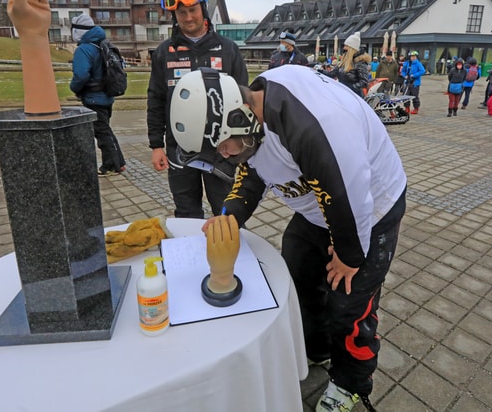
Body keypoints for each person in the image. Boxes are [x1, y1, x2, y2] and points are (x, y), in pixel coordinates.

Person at [169, 66, 406, 412]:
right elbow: (252, 171)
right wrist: (229, 216)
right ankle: (318, 347)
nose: (225, 157)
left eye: (222, 149)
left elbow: (347, 196)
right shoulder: (249, 120)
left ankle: (351, 380)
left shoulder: (315, 127)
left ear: (239, 116)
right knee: (297, 271)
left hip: (369, 209)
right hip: (323, 203)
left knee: (349, 303)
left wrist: (349, 255)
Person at [147, 0, 248, 217]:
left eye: (193, 9)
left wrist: (243, 144)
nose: (189, 17)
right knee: (186, 212)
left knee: (226, 211)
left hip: (221, 148)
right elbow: (156, 98)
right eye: (182, 13)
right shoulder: (164, 52)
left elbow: (245, 98)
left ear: (203, 7)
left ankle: (229, 253)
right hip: (179, 148)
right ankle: (190, 254)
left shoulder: (228, 49)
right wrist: (156, 146)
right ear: (174, 15)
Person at [69, 14, 127, 176]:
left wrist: (74, 88)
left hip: (94, 97)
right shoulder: (102, 45)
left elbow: (81, 75)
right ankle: (118, 162)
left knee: (102, 133)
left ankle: (111, 165)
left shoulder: (84, 49)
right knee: (105, 130)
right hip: (107, 95)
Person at [333, 31, 371, 96]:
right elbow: (333, 73)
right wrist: (319, 71)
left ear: (351, 48)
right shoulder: (344, 61)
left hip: (354, 95)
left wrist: (352, 88)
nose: (344, 48)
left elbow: (364, 81)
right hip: (343, 93)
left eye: (346, 46)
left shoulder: (360, 62)